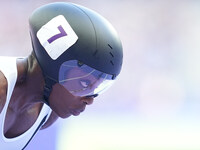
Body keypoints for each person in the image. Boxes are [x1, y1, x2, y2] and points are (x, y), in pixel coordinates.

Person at [0, 2, 123, 150]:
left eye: (97, 89)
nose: (90, 100)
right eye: (84, 84)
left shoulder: (48, 113)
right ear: (53, 68)